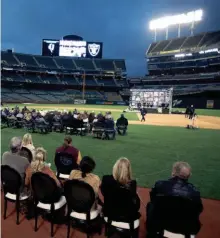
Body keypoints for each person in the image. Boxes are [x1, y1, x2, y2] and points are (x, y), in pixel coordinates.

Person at [146, 162, 203, 237]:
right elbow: (199, 210)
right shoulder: (194, 192)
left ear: (173, 173)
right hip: (185, 229)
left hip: (162, 225)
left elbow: (153, 199)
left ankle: (151, 231)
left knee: (150, 205)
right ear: (189, 176)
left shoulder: (160, 185)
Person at [101, 158, 140, 223]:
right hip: (127, 216)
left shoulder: (106, 179)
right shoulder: (132, 184)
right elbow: (136, 204)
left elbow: (103, 192)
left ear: (115, 167)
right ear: (128, 170)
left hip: (110, 212)